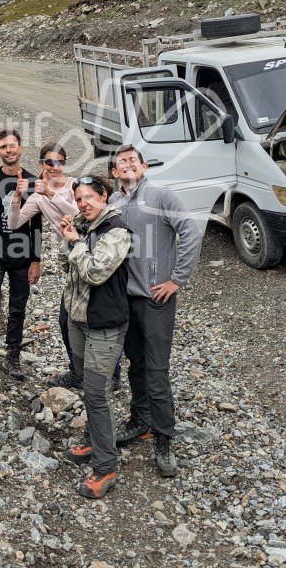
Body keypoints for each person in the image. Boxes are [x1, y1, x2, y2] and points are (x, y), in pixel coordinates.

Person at [109, 145, 202, 477]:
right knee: (136, 363)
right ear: (115, 173)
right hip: (126, 300)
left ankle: (164, 438)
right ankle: (140, 418)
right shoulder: (114, 203)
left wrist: (176, 280)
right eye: (122, 163)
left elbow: (190, 231)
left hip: (156, 299)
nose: (128, 165)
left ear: (144, 167)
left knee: (157, 370)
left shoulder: (162, 196)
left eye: (134, 160)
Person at [59, 175, 132, 499]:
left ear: (105, 195)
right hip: (78, 319)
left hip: (105, 325)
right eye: (79, 198)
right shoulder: (84, 225)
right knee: (88, 386)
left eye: (89, 197)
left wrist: (75, 242)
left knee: (97, 393)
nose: (83, 203)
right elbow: (66, 265)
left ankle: (106, 468)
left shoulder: (117, 230)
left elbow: (95, 272)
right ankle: (93, 439)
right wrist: (69, 236)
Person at [8, 142, 81, 388]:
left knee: (89, 318)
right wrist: (17, 198)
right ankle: (78, 370)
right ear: (41, 164)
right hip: (72, 261)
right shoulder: (38, 196)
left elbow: (82, 219)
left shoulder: (75, 185)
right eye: (49, 162)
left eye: (59, 162)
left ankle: (104, 374)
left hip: (93, 253)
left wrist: (51, 194)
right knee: (67, 319)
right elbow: (15, 223)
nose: (54, 167)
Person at [0, 129, 41, 381]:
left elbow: (36, 224)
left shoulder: (33, 182)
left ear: (21, 149)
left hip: (22, 256)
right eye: (3, 147)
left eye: (12, 146)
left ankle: (13, 354)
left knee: (18, 307)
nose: (9, 150)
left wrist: (36, 259)